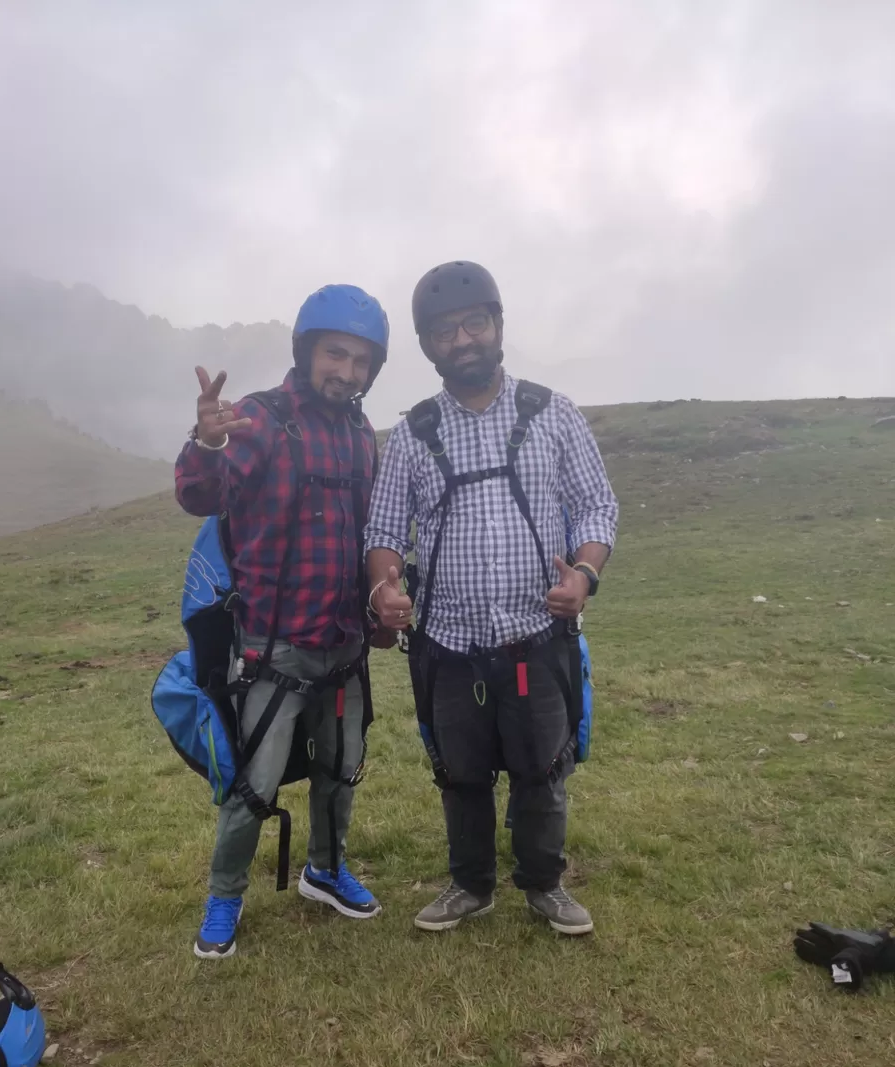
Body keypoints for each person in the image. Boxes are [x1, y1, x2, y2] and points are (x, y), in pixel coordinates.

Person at [365, 261, 618, 935]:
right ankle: (471, 885)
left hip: (536, 635)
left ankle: (544, 884)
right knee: (460, 775)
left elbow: (596, 505)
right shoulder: (413, 435)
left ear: (498, 325)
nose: (463, 339)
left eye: (474, 323)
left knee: (543, 771)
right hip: (448, 644)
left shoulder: (552, 412)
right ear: (428, 345)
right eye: (445, 331)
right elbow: (385, 530)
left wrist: (583, 578)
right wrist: (383, 585)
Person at [174, 284, 391, 958]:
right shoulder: (259, 419)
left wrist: (384, 597)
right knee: (253, 784)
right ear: (305, 350)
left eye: (361, 362)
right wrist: (205, 446)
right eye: (336, 354)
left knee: (341, 768)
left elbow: (369, 533)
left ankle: (324, 870)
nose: (347, 372)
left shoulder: (360, 434)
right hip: (274, 647)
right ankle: (224, 896)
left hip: (344, 645)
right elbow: (200, 494)